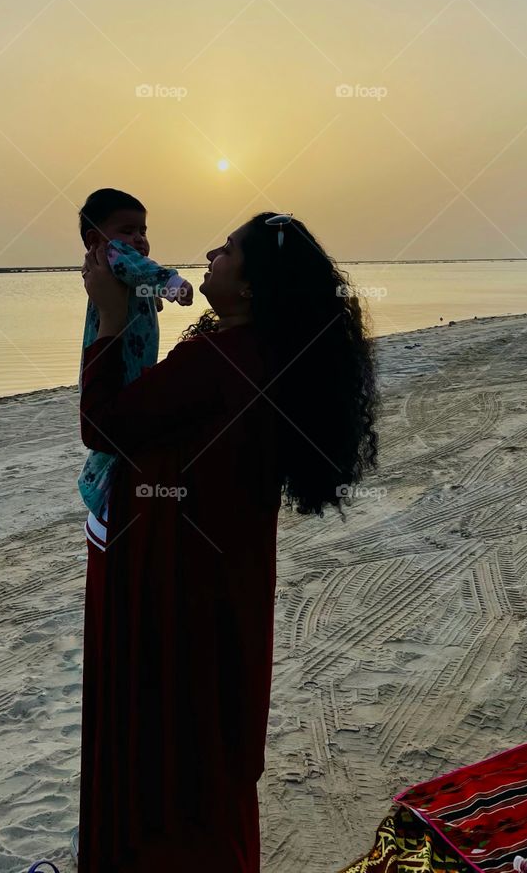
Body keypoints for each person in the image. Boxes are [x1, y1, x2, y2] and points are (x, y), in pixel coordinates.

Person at [76, 211, 379, 872]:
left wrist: (108, 315)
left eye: (229, 250)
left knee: (166, 755)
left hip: (175, 586)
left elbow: (104, 426)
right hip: (223, 580)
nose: (210, 253)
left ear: (252, 286)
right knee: (208, 752)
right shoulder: (270, 355)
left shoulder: (220, 359)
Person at [76, 188, 194, 521]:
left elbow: (136, 278)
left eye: (143, 230)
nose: (139, 239)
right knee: (114, 428)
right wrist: (172, 285)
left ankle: (100, 483)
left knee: (118, 425)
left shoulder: (115, 265)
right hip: (121, 356)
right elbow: (144, 270)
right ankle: (96, 488)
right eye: (127, 230)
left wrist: (148, 298)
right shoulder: (113, 254)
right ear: (94, 239)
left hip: (128, 356)